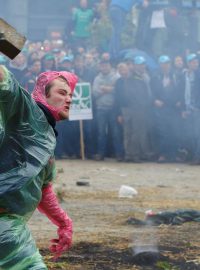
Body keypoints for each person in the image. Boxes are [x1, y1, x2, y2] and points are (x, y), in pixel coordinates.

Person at [0, 65, 78, 269]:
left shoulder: (46, 136)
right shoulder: (26, 113)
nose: (69, 99)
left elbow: (43, 189)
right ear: (43, 94)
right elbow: (7, 85)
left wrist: (64, 223)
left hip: (9, 227)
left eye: (70, 95)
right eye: (62, 93)